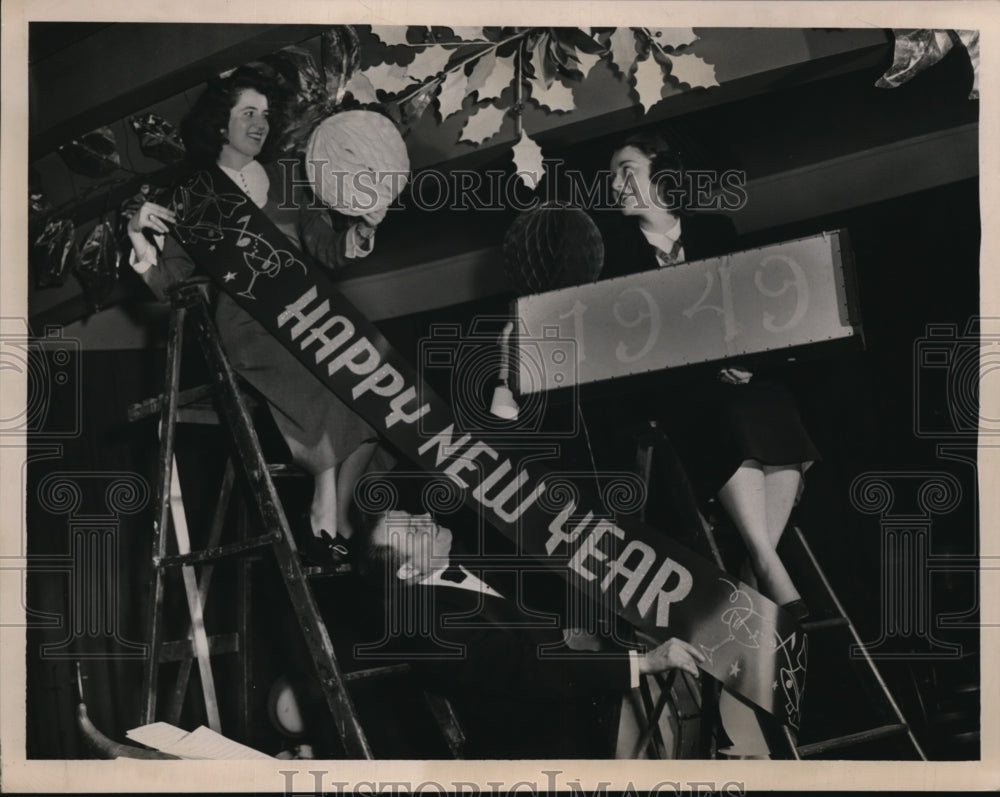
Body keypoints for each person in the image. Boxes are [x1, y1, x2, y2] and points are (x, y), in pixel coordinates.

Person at [126, 66, 385, 565]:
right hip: (249, 327)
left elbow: (325, 246)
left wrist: (358, 233)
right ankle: (326, 516)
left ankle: (336, 518)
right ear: (220, 125)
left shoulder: (289, 180)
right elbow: (172, 283)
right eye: (248, 113)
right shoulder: (195, 197)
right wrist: (138, 237)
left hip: (310, 314)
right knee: (326, 383)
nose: (260, 123)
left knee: (374, 389)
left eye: (265, 114)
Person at [602, 132, 820, 620]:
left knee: (771, 404)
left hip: (738, 387)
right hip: (676, 396)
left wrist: (748, 364)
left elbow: (750, 314)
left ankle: (757, 565)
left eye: (626, 170)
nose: (615, 185)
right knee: (729, 415)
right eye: (612, 175)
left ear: (661, 173)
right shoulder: (610, 255)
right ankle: (766, 562)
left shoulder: (717, 231)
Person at [352, 500, 706, 759]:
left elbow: (529, 617)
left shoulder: (459, 560)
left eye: (413, 514)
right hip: (545, 745)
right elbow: (528, 669)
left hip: (574, 699)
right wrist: (639, 663)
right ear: (407, 572)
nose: (426, 516)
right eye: (414, 530)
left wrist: (563, 631)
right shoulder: (427, 629)